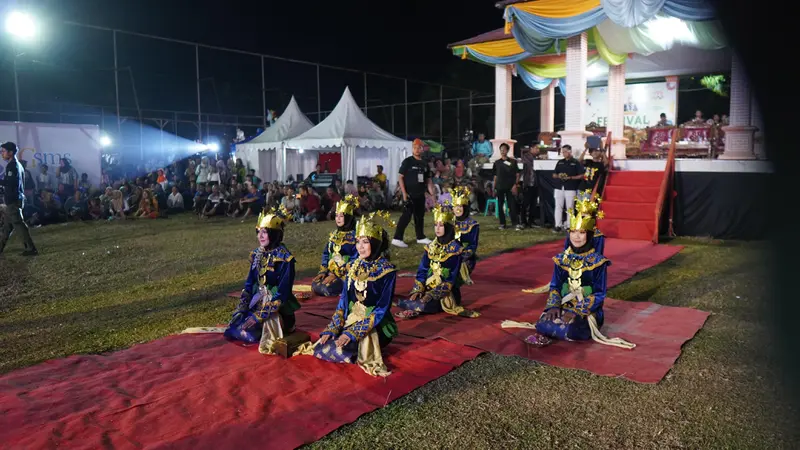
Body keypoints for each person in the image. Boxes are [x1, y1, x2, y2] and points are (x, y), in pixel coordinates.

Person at [513, 194, 634, 349]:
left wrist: (577, 312)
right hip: (564, 305)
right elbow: (555, 286)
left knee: (569, 328)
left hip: (587, 311)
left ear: (589, 235)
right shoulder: (561, 259)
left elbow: (599, 294)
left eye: (582, 233)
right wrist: (553, 307)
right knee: (543, 323)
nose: (576, 237)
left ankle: (566, 329)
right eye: (573, 232)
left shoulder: (598, 262)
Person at [296, 210, 398, 377]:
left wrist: (352, 333)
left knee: (339, 348)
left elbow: (381, 309)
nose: (360, 247)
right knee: (324, 345)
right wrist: (333, 328)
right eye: (358, 242)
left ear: (376, 243)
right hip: (351, 320)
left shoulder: (387, 271)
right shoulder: (353, 267)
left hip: (375, 325)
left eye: (365, 242)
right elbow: (343, 301)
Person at [224, 205, 301, 355]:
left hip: (277, 309)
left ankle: (284, 326)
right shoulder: (256, 254)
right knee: (234, 327)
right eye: (259, 232)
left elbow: (282, 294)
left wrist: (259, 316)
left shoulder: (286, 259)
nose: (260, 236)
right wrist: (241, 309)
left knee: (249, 333)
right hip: (257, 301)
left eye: (265, 232)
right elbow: (249, 283)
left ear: (275, 234)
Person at [395, 204, 479, 319]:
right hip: (428, 288)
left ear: (448, 227)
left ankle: (416, 307)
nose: (437, 228)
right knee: (413, 298)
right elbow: (422, 270)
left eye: (441, 225)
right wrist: (418, 289)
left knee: (425, 304)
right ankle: (415, 304)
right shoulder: (430, 247)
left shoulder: (455, 250)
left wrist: (431, 295)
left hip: (446, 293)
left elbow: (450, 280)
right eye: (435, 225)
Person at [311, 194, 360, 297]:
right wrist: (323, 272)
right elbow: (326, 253)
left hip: (347, 275)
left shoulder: (355, 237)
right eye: (336, 215)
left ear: (348, 217)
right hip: (331, 273)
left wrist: (337, 275)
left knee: (327, 288)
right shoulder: (334, 235)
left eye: (341, 216)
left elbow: (356, 259)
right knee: (315, 285)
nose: (338, 219)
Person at [392, 138, 435, 248]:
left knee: (419, 216)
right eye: (414, 148)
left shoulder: (425, 164)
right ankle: (397, 238)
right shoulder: (407, 161)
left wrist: (432, 194)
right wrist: (404, 193)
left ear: (422, 149)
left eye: (418, 148)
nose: (416, 150)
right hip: (410, 194)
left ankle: (420, 237)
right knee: (406, 216)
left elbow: (428, 180)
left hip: (420, 194)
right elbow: (400, 177)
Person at [0, 142, 37, 256]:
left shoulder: (13, 165)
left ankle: (31, 248)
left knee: (18, 224)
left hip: (13, 200)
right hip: (14, 199)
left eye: (4, 151)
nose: (2, 153)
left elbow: (10, 183)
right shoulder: (16, 165)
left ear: (11, 152)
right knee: (7, 227)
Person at [551, 145, 583, 232]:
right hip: (559, 187)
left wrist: (570, 178)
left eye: (565, 151)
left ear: (570, 151)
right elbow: (553, 174)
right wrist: (558, 176)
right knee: (558, 207)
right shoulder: (560, 162)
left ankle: (569, 225)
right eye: (563, 152)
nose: (564, 153)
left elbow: (581, 175)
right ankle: (557, 225)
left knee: (570, 207)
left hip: (570, 188)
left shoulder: (575, 162)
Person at [492, 143, 521, 231]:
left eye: (504, 149)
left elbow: (517, 174)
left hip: (510, 186)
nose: (502, 151)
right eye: (501, 149)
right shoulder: (497, 163)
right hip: (500, 186)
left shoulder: (513, 162)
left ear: (507, 150)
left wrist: (515, 185)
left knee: (512, 205)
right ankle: (502, 223)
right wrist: (494, 186)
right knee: (500, 206)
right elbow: (495, 176)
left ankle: (515, 223)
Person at [451, 186, 479, 276]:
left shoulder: (472, 225)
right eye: (455, 206)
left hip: (465, 259)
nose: (458, 209)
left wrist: (460, 257)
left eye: (460, 206)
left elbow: (472, 246)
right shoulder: (448, 222)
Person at [520, 144, 540, 228]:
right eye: (536, 148)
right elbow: (531, 165)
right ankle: (523, 221)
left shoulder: (536, 158)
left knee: (533, 204)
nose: (538, 150)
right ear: (531, 148)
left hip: (535, 184)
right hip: (528, 183)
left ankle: (531, 221)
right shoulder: (526, 156)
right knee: (525, 203)